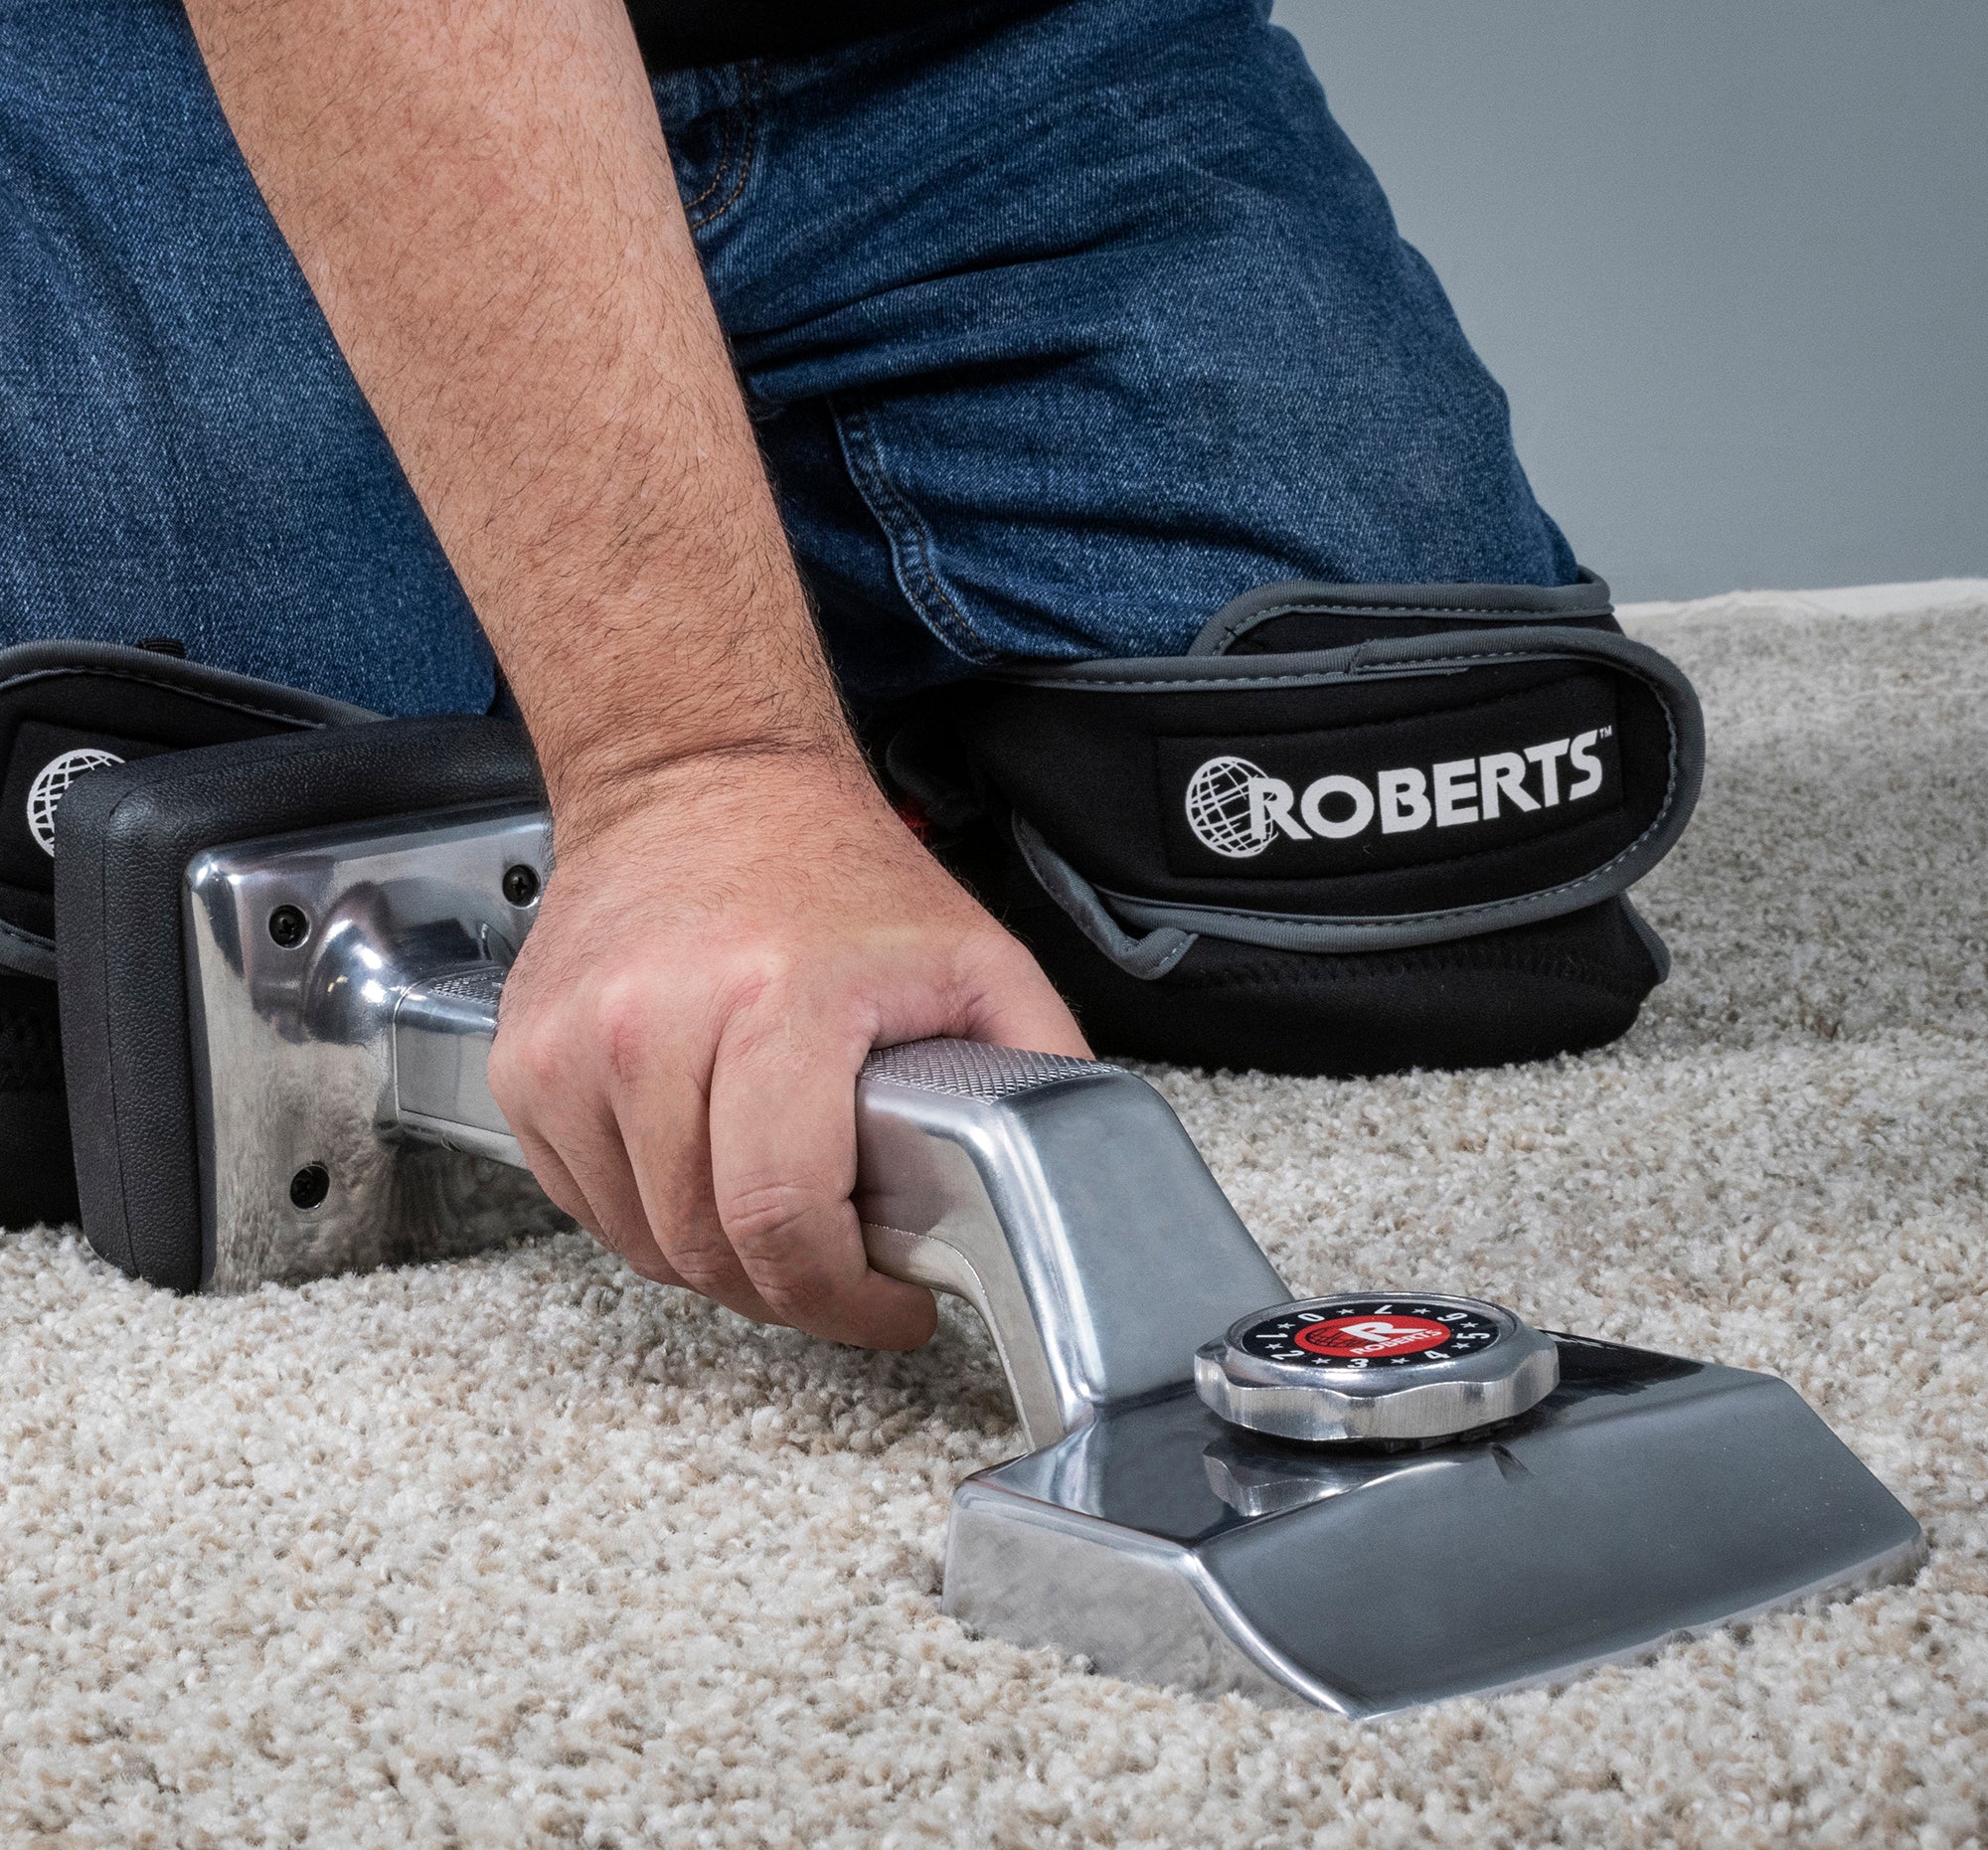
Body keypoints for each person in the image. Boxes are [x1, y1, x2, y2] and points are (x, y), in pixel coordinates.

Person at [0, 0, 1578, 1344]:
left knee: (1404, 882)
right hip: (162, 48)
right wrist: (693, 768)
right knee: (96, 949)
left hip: (955, 44)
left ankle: (766, 578)